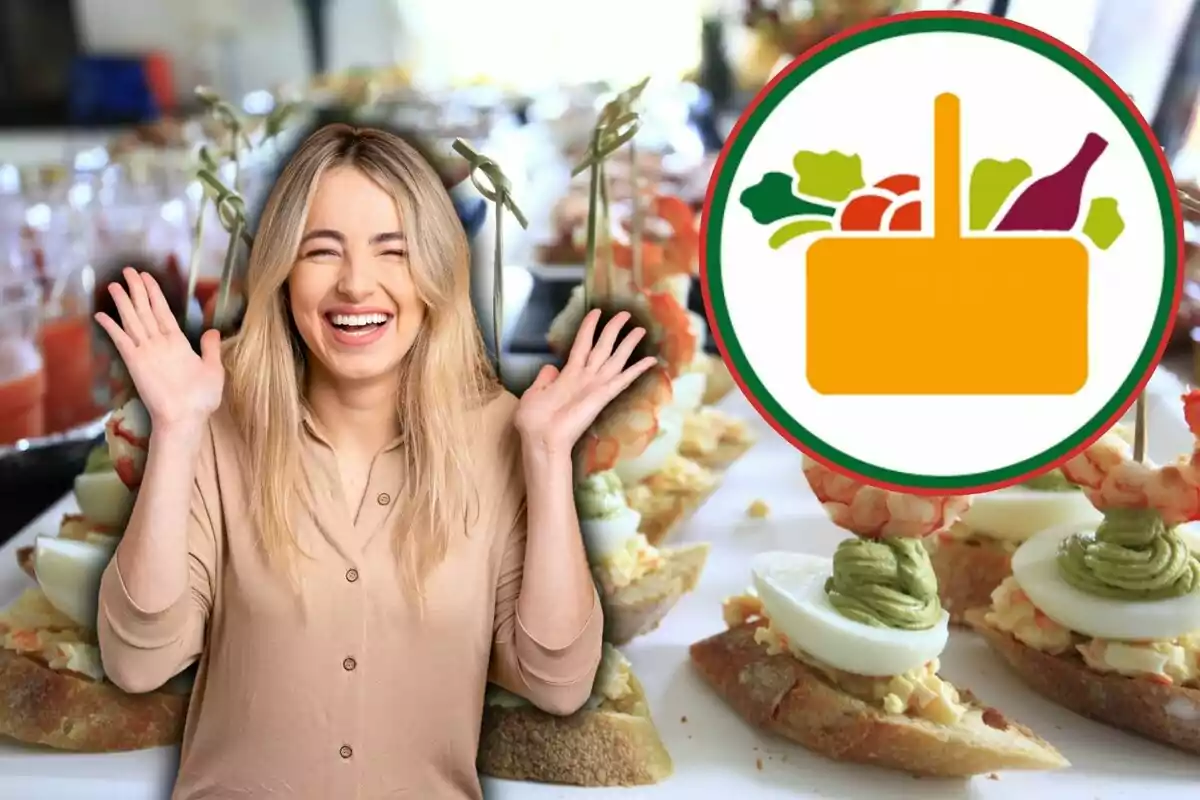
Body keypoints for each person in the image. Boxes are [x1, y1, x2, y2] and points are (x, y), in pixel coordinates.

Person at [92, 124, 656, 799]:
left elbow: (558, 682)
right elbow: (137, 660)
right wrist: (177, 430)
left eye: (394, 252)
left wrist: (546, 455)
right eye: (321, 251)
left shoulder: (501, 432)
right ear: (282, 274)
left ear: (437, 273)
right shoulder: (217, 422)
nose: (357, 285)